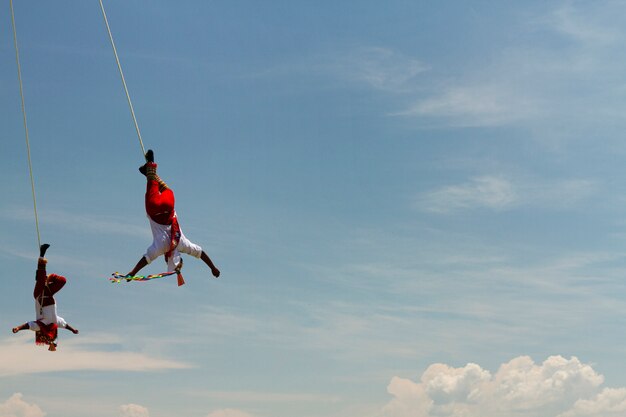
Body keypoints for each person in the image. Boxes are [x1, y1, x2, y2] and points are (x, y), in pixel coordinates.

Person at [126, 149, 220, 279]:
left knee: (166, 190)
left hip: (168, 205)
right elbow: (145, 259)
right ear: (166, 259)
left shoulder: (182, 244)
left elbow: (201, 253)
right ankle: (151, 167)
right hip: (154, 209)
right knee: (151, 185)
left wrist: (213, 268)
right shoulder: (160, 247)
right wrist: (133, 272)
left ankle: (151, 173)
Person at [12, 244, 79, 351]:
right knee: (62, 280)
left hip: (39, 295)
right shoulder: (56, 322)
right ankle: (46, 277)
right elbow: (65, 325)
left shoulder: (41, 325)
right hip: (49, 292)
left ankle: (42, 254)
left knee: (41, 277)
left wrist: (18, 328)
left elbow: (28, 325)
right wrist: (73, 330)